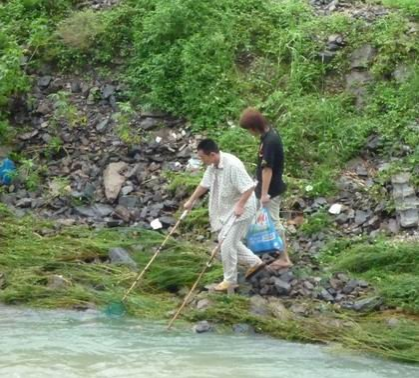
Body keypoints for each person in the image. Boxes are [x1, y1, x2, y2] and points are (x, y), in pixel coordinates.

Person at [184, 139, 265, 292]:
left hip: (244, 207)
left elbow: (249, 187)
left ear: (212, 154)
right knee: (223, 239)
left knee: (227, 244)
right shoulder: (213, 166)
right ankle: (255, 262)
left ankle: (230, 280)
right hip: (229, 208)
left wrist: (240, 205)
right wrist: (191, 200)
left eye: (202, 157)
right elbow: (204, 184)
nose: (201, 161)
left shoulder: (232, 165)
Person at [239, 107, 292, 269]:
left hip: (271, 190)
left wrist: (264, 194)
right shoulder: (268, 136)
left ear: (254, 127)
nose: (250, 133)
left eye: (249, 129)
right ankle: (254, 250)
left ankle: (284, 258)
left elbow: (267, 169)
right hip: (265, 187)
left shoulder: (270, 141)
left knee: (274, 222)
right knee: (257, 219)